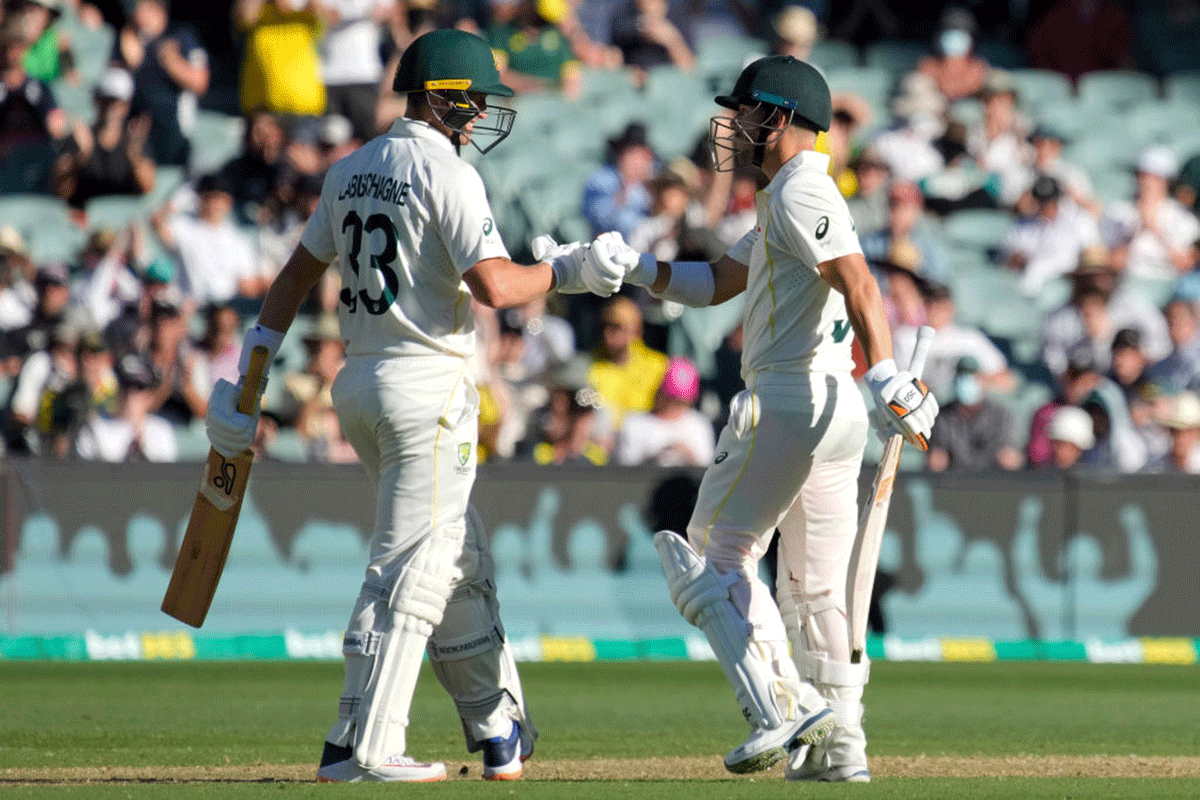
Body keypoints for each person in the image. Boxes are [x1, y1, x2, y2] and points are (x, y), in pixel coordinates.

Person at [202, 28, 623, 783]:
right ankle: (359, 745)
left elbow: (294, 277)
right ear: (440, 98)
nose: (482, 115)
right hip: (427, 387)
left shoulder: (349, 170)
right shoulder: (447, 175)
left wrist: (252, 374)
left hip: (362, 385)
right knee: (412, 567)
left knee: (457, 555)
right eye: (474, 101)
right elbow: (498, 287)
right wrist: (571, 271)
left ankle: (497, 731)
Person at [577, 54, 939, 781]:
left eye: (743, 113)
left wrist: (892, 373)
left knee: (710, 555)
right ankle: (842, 752)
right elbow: (716, 282)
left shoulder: (804, 191)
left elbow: (861, 282)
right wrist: (637, 269)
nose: (733, 128)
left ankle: (787, 702)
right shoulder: (787, 198)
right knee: (812, 590)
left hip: (789, 399)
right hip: (831, 409)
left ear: (775, 118)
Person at [925, 356, 1023, 472]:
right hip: (956, 482)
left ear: (983, 380)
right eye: (961, 376)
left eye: (973, 376)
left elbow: (1012, 458)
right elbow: (937, 457)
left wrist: (1009, 458)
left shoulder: (1001, 414)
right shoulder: (943, 416)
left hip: (994, 481)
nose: (967, 381)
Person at [613, 354, 714, 466]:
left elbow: (708, 469)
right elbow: (625, 470)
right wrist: (655, 457)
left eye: (680, 403)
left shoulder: (699, 425)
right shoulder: (634, 423)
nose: (673, 407)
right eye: (670, 399)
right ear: (659, 393)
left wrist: (687, 454)